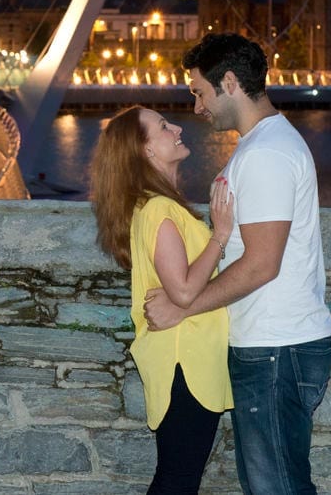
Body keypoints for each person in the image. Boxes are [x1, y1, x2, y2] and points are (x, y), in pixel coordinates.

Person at [143, 33, 331, 495]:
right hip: (274, 345)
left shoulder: (266, 153)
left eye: (199, 92)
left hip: (277, 348)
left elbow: (262, 263)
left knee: (277, 487)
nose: (196, 107)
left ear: (228, 82)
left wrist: (182, 307)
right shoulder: (262, 146)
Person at [91, 105, 235, 495]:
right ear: (145, 151)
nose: (176, 128)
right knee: (177, 480)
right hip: (184, 363)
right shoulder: (159, 209)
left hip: (182, 362)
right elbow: (184, 290)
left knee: (177, 478)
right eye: (163, 126)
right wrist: (220, 235)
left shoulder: (153, 207)